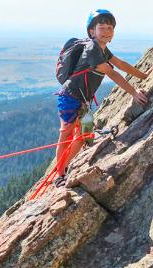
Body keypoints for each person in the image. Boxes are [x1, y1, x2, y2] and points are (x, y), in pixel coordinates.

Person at [54, 9, 152, 187]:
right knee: (67, 135)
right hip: (69, 98)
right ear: (92, 31)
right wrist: (134, 93)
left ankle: (65, 166)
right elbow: (113, 73)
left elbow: (120, 64)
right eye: (102, 27)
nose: (106, 31)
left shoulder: (103, 49)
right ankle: (60, 175)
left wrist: (144, 76)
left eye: (110, 28)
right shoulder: (92, 49)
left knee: (83, 136)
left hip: (82, 100)